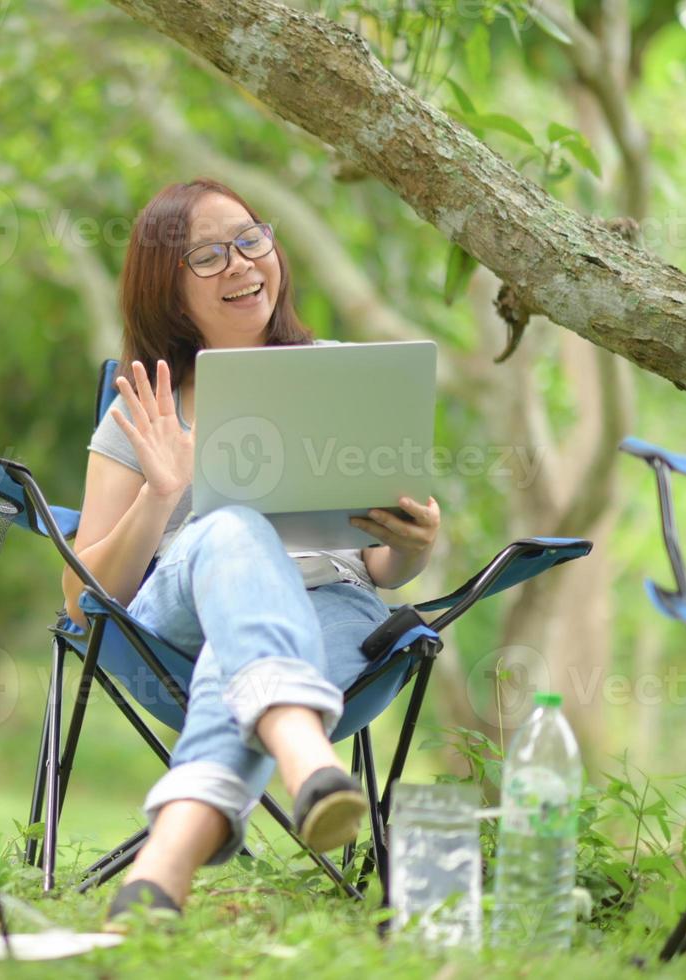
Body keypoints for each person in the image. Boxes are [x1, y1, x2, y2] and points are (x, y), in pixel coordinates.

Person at [60, 178, 441, 927]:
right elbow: (81, 600)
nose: (240, 264)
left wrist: (416, 548)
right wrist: (161, 495)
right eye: (206, 256)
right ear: (168, 293)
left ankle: (159, 873)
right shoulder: (143, 408)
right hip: (180, 613)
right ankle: (303, 751)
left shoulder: (342, 373)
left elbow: (377, 564)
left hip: (330, 610)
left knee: (233, 670)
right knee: (232, 527)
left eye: (249, 239)